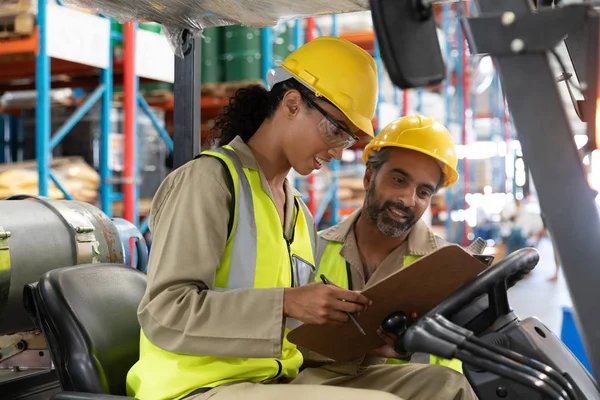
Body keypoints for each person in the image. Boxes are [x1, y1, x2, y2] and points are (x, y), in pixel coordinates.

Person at [124, 37, 472, 400]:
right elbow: (164, 313)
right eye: (336, 130)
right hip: (199, 388)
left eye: (348, 140)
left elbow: (284, 339)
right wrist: (287, 302)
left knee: (444, 385)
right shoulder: (210, 182)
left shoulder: (299, 212)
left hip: (275, 383)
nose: (338, 152)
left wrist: (367, 347)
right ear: (292, 104)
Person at [313, 115, 477, 378]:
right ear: (369, 177)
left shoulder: (447, 269)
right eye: (399, 180)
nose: (407, 200)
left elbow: (454, 369)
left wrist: (410, 349)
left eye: (423, 192)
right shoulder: (312, 249)